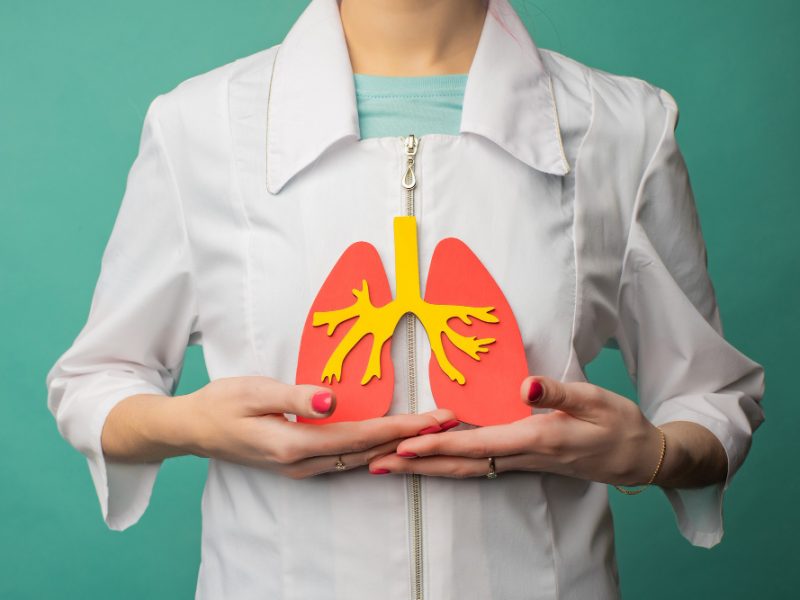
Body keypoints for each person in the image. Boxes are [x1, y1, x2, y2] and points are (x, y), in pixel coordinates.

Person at [45, 0, 765, 598]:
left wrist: (650, 454)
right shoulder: (198, 127)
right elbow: (94, 381)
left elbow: (714, 396)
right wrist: (193, 425)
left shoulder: (623, 128)